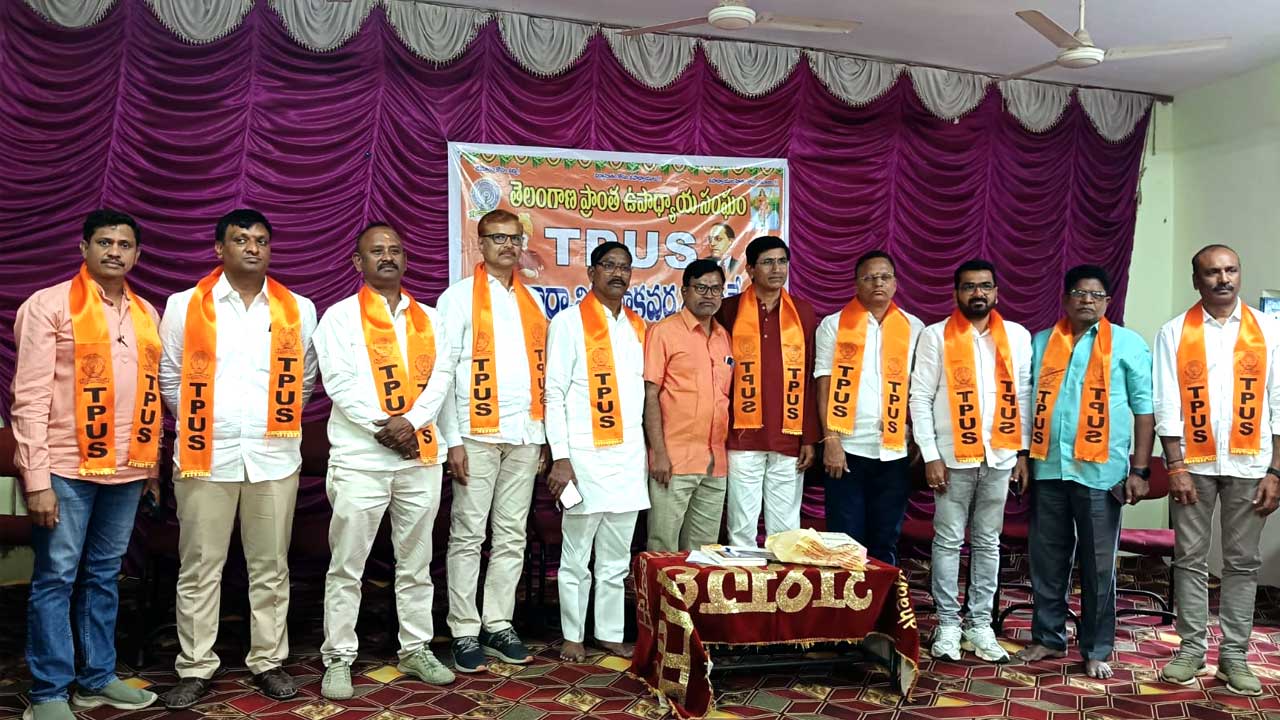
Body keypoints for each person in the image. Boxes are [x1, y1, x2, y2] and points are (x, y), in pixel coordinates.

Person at [158, 209, 318, 708]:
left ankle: (268, 659)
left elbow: (305, 379)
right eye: (242, 239)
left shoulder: (298, 309)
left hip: (274, 456)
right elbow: (170, 377)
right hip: (206, 455)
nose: (253, 248)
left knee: (270, 566)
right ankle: (195, 665)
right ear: (219, 248)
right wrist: (208, 425)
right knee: (200, 567)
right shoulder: (185, 305)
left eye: (262, 240)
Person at [12, 211, 161, 720]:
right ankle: (49, 692)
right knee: (56, 577)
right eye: (104, 242)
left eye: (125, 244)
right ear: (84, 248)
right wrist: (36, 481)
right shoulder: (48, 305)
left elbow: (149, 396)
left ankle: (97, 679)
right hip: (65, 468)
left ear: (137, 254)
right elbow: (29, 398)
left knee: (103, 576)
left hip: (127, 469)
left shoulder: (146, 313)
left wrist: (151, 468)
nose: (114, 251)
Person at [312, 223, 456, 698]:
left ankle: (415, 648)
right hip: (360, 461)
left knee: (416, 562)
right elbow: (338, 383)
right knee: (347, 565)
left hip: (420, 457)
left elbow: (442, 377)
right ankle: (338, 656)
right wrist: (389, 428)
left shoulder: (430, 319)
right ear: (359, 262)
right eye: (377, 251)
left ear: (405, 260)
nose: (387, 257)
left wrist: (410, 422)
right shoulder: (339, 318)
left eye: (395, 250)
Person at [1014, 265, 1154, 680]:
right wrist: (1022, 456)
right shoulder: (1042, 342)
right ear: (1065, 299)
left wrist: (1140, 468)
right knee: (1047, 559)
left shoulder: (1127, 344)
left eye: (1095, 294)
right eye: (1078, 293)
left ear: (1107, 302)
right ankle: (1048, 636)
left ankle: (1096, 647)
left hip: (1101, 472)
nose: (1087, 300)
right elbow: (1026, 403)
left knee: (1098, 565)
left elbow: (1144, 409)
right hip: (1049, 467)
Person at [1153, 245, 1280, 696]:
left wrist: (1276, 471)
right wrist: (1175, 465)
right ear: (1197, 280)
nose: (1223, 279)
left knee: (1242, 562)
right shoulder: (1174, 332)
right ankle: (1190, 650)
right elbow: (1166, 401)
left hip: (1251, 463)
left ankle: (1234, 657)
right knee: (1189, 558)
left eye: (1230, 270)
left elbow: (1279, 401)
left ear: (1239, 274)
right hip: (1193, 463)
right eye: (1212, 272)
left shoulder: (1269, 330)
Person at [436, 209, 548, 673]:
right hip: (474, 434)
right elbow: (442, 374)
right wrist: (451, 441)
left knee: (511, 534)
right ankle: (464, 628)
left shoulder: (534, 301)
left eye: (514, 238)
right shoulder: (458, 298)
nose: (507, 245)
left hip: (524, 433)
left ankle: (498, 622)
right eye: (497, 237)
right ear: (479, 244)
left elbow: (540, 374)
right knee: (468, 533)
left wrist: (543, 438)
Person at [909, 259, 1032, 664]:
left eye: (985, 286)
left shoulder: (1016, 336)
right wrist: (931, 455)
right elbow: (920, 398)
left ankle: (979, 624)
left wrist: (1021, 452)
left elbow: (1024, 395)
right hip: (951, 458)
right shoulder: (936, 336)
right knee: (947, 541)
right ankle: (947, 623)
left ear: (996, 292)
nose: (978, 293)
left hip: (999, 455)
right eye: (969, 287)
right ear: (956, 292)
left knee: (988, 542)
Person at [545, 242, 649, 662]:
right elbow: (554, 393)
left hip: (628, 458)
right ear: (591, 272)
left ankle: (608, 632)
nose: (617, 273)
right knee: (576, 555)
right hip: (582, 459)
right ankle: (572, 633)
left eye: (625, 267)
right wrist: (560, 456)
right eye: (609, 265)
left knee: (616, 557)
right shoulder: (568, 323)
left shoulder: (638, 327)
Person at [815, 250, 925, 564]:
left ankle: (882, 597)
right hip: (847, 448)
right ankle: (847, 598)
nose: (878, 283)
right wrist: (831, 440)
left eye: (884, 277)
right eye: (869, 277)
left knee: (885, 539)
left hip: (894, 450)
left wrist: (917, 434)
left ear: (895, 283)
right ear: (856, 284)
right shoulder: (834, 325)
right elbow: (824, 383)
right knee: (844, 540)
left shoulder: (914, 327)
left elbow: (922, 388)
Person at [715, 236, 818, 548]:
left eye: (782, 261)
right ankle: (743, 578)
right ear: (750, 269)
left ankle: (785, 580)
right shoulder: (728, 310)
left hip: (788, 435)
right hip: (742, 436)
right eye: (768, 262)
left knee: (786, 529)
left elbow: (810, 377)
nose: (777, 269)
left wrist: (809, 437)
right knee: (741, 525)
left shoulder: (803, 313)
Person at [643, 258, 733, 551]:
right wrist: (658, 454)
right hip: (673, 462)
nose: (709, 295)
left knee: (704, 554)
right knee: (663, 549)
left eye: (715, 289)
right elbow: (651, 395)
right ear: (684, 291)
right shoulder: (664, 332)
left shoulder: (723, 337)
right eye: (701, 288)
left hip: (715, 465)